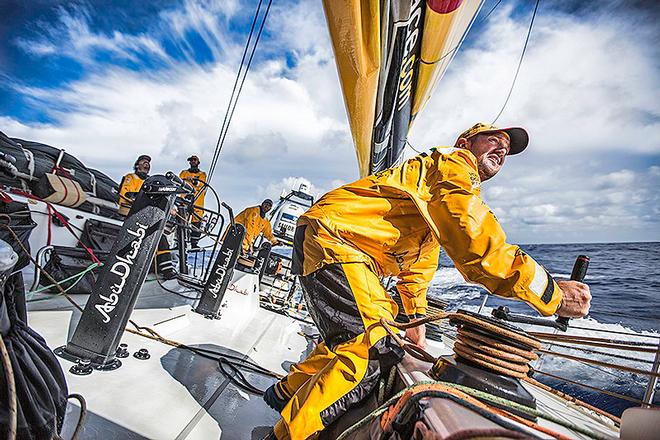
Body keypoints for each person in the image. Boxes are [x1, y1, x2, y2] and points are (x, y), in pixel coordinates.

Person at [264, 122, 592, 440]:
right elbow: (474, 241)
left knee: (364, 332)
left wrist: (414, 318)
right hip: (338, 241)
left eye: (506, 150)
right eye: (494, 139)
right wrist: (551, 293)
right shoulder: (454, 165)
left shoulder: (431, 194)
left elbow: (418, 267)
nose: (502, 149)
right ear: (466, 143)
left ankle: (285, 392)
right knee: (372, 349)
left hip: (334, 239)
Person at [118, 155, 176, 280]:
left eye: (148, 163)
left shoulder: (151, 181)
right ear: (137, 165)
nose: (147, 164)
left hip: (147, 217)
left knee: (161, 238)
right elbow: (125, 195)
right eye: (144, 162)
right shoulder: (130, 178)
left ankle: (165, 269)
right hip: (131, 216)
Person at [179, 155, 207, 248]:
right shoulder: (184, 173)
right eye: (191, 160)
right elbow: (179, 182)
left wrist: (194, 181)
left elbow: (200, 184)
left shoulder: (202, 174)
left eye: (194, 160)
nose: (193, 162)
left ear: (198, 163)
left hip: (197, 203)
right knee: (181, 221)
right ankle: (180, 242)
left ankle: (194, 244)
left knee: (197, 223)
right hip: (185, 202)